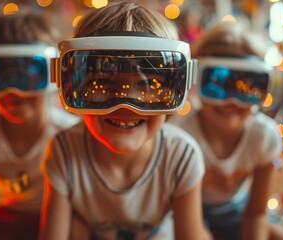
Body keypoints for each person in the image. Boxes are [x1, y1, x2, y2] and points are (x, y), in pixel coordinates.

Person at [39, 1, 207, 240]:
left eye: (149, 85)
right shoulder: (64, 151)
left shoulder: (181, 155)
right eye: (103, 83)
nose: (126, 105)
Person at [170, 22, 283, 240]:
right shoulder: (180, 136)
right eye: (218, 83)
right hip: (186, 213)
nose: (230, 102)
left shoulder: (264, 136)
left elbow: (257, 213)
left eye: (245, 88)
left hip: (238, 211)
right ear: (196, 79)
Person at [0, 12, 79, 240]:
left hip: (62, 219)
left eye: (26, 75)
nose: (12, 91)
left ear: (53, 74)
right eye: (0, 75)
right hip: (9, 219)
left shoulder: (67, 133)